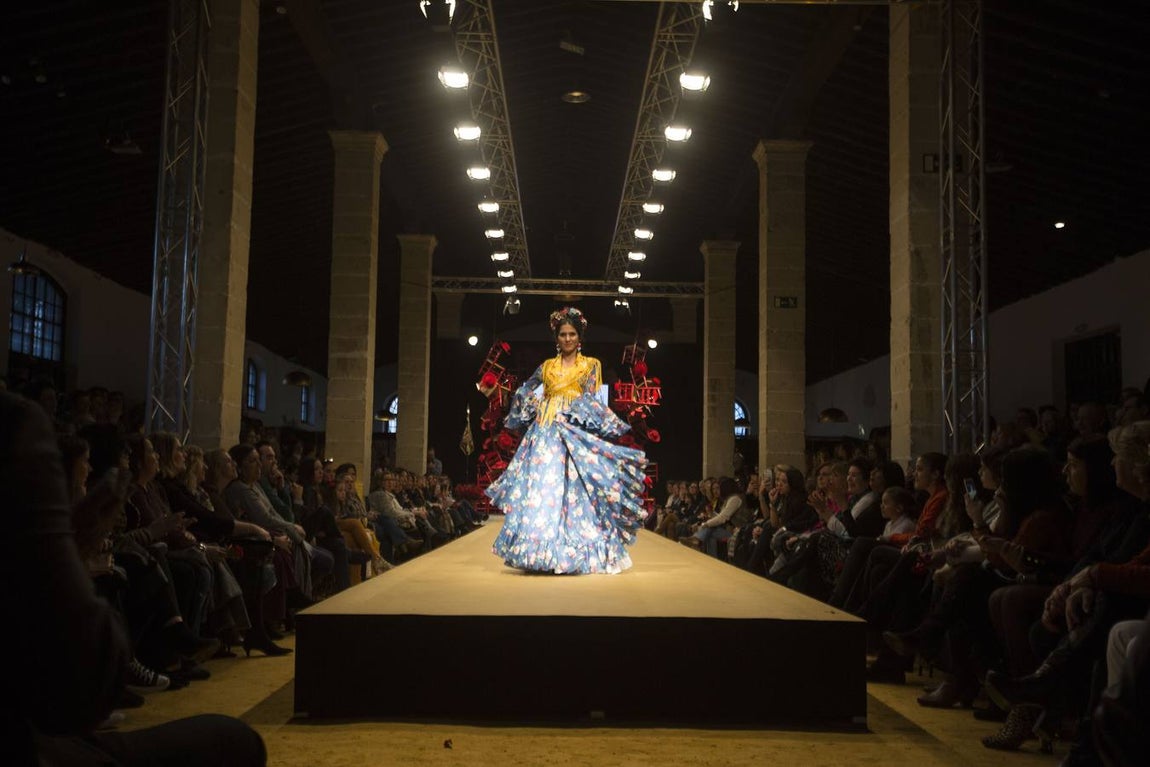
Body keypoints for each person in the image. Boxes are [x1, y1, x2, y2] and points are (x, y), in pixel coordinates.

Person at [0, 390, 267, 766]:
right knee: (234, 741)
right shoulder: (16, 430)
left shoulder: (157, 489)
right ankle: (169, 647)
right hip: (31, 746)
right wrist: (75, 541)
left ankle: (187, 643)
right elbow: (82, 694)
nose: (89, 471)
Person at [487, 307, 648, 574]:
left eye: (572, 334)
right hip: (545, 433)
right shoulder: (546, 366)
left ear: (580, 336)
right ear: (556, 337)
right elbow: (524, 390)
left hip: (574, 432)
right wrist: (534, 404)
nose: (568, 339)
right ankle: (540, 552)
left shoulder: (591, 365)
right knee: (543, 488)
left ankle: (574, 551)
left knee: (576, 491)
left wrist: (578, 418)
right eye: (563, 334)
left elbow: (592, 400)